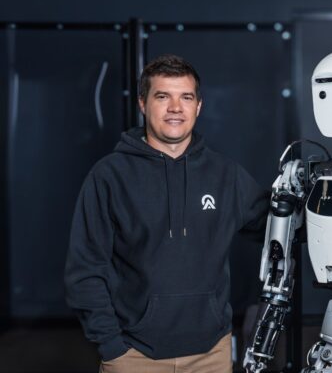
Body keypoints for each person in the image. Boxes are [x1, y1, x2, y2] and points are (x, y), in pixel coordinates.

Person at [65, 54, 268, 373]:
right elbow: (85, 269)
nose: (175, 108)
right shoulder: (109, 176)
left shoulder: (225, 174)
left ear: (198, 106)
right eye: (163, 97)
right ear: (143, 104)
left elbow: (278, 225)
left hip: (211, 356)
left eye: (185, 97)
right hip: (134, 356)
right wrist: (112, 347)